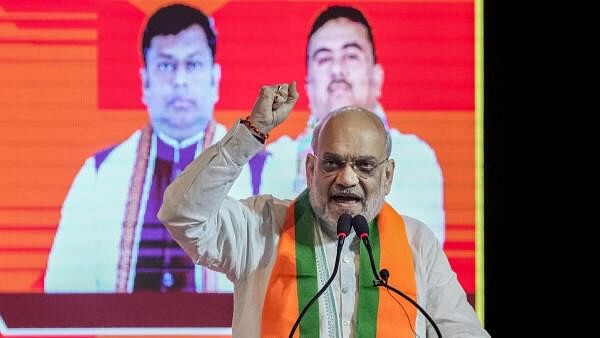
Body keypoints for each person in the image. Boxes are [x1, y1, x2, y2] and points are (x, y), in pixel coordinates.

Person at [158, 82, 489, 337]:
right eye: (332, 163)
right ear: (310, 170)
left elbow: (462, 332)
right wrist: (251, 133)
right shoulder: (260, 228)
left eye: (364, 165)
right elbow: (182, 213)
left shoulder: (417, 242)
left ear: (387, 176)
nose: (347, 178)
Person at [45, 4, 251, 293]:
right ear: (145, 82)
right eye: (166, 66)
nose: (180, 81)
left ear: (215, 79)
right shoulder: (99, 174)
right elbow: (61, 296)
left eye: (192, 65)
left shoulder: (257, 170)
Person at [255, 5, 446, 243]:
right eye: (324, 58)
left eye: (351, 55)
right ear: (308, 86)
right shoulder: (277, 159)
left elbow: (415, 260)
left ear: (377, 77)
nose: (337, 70)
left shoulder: (416, 157)